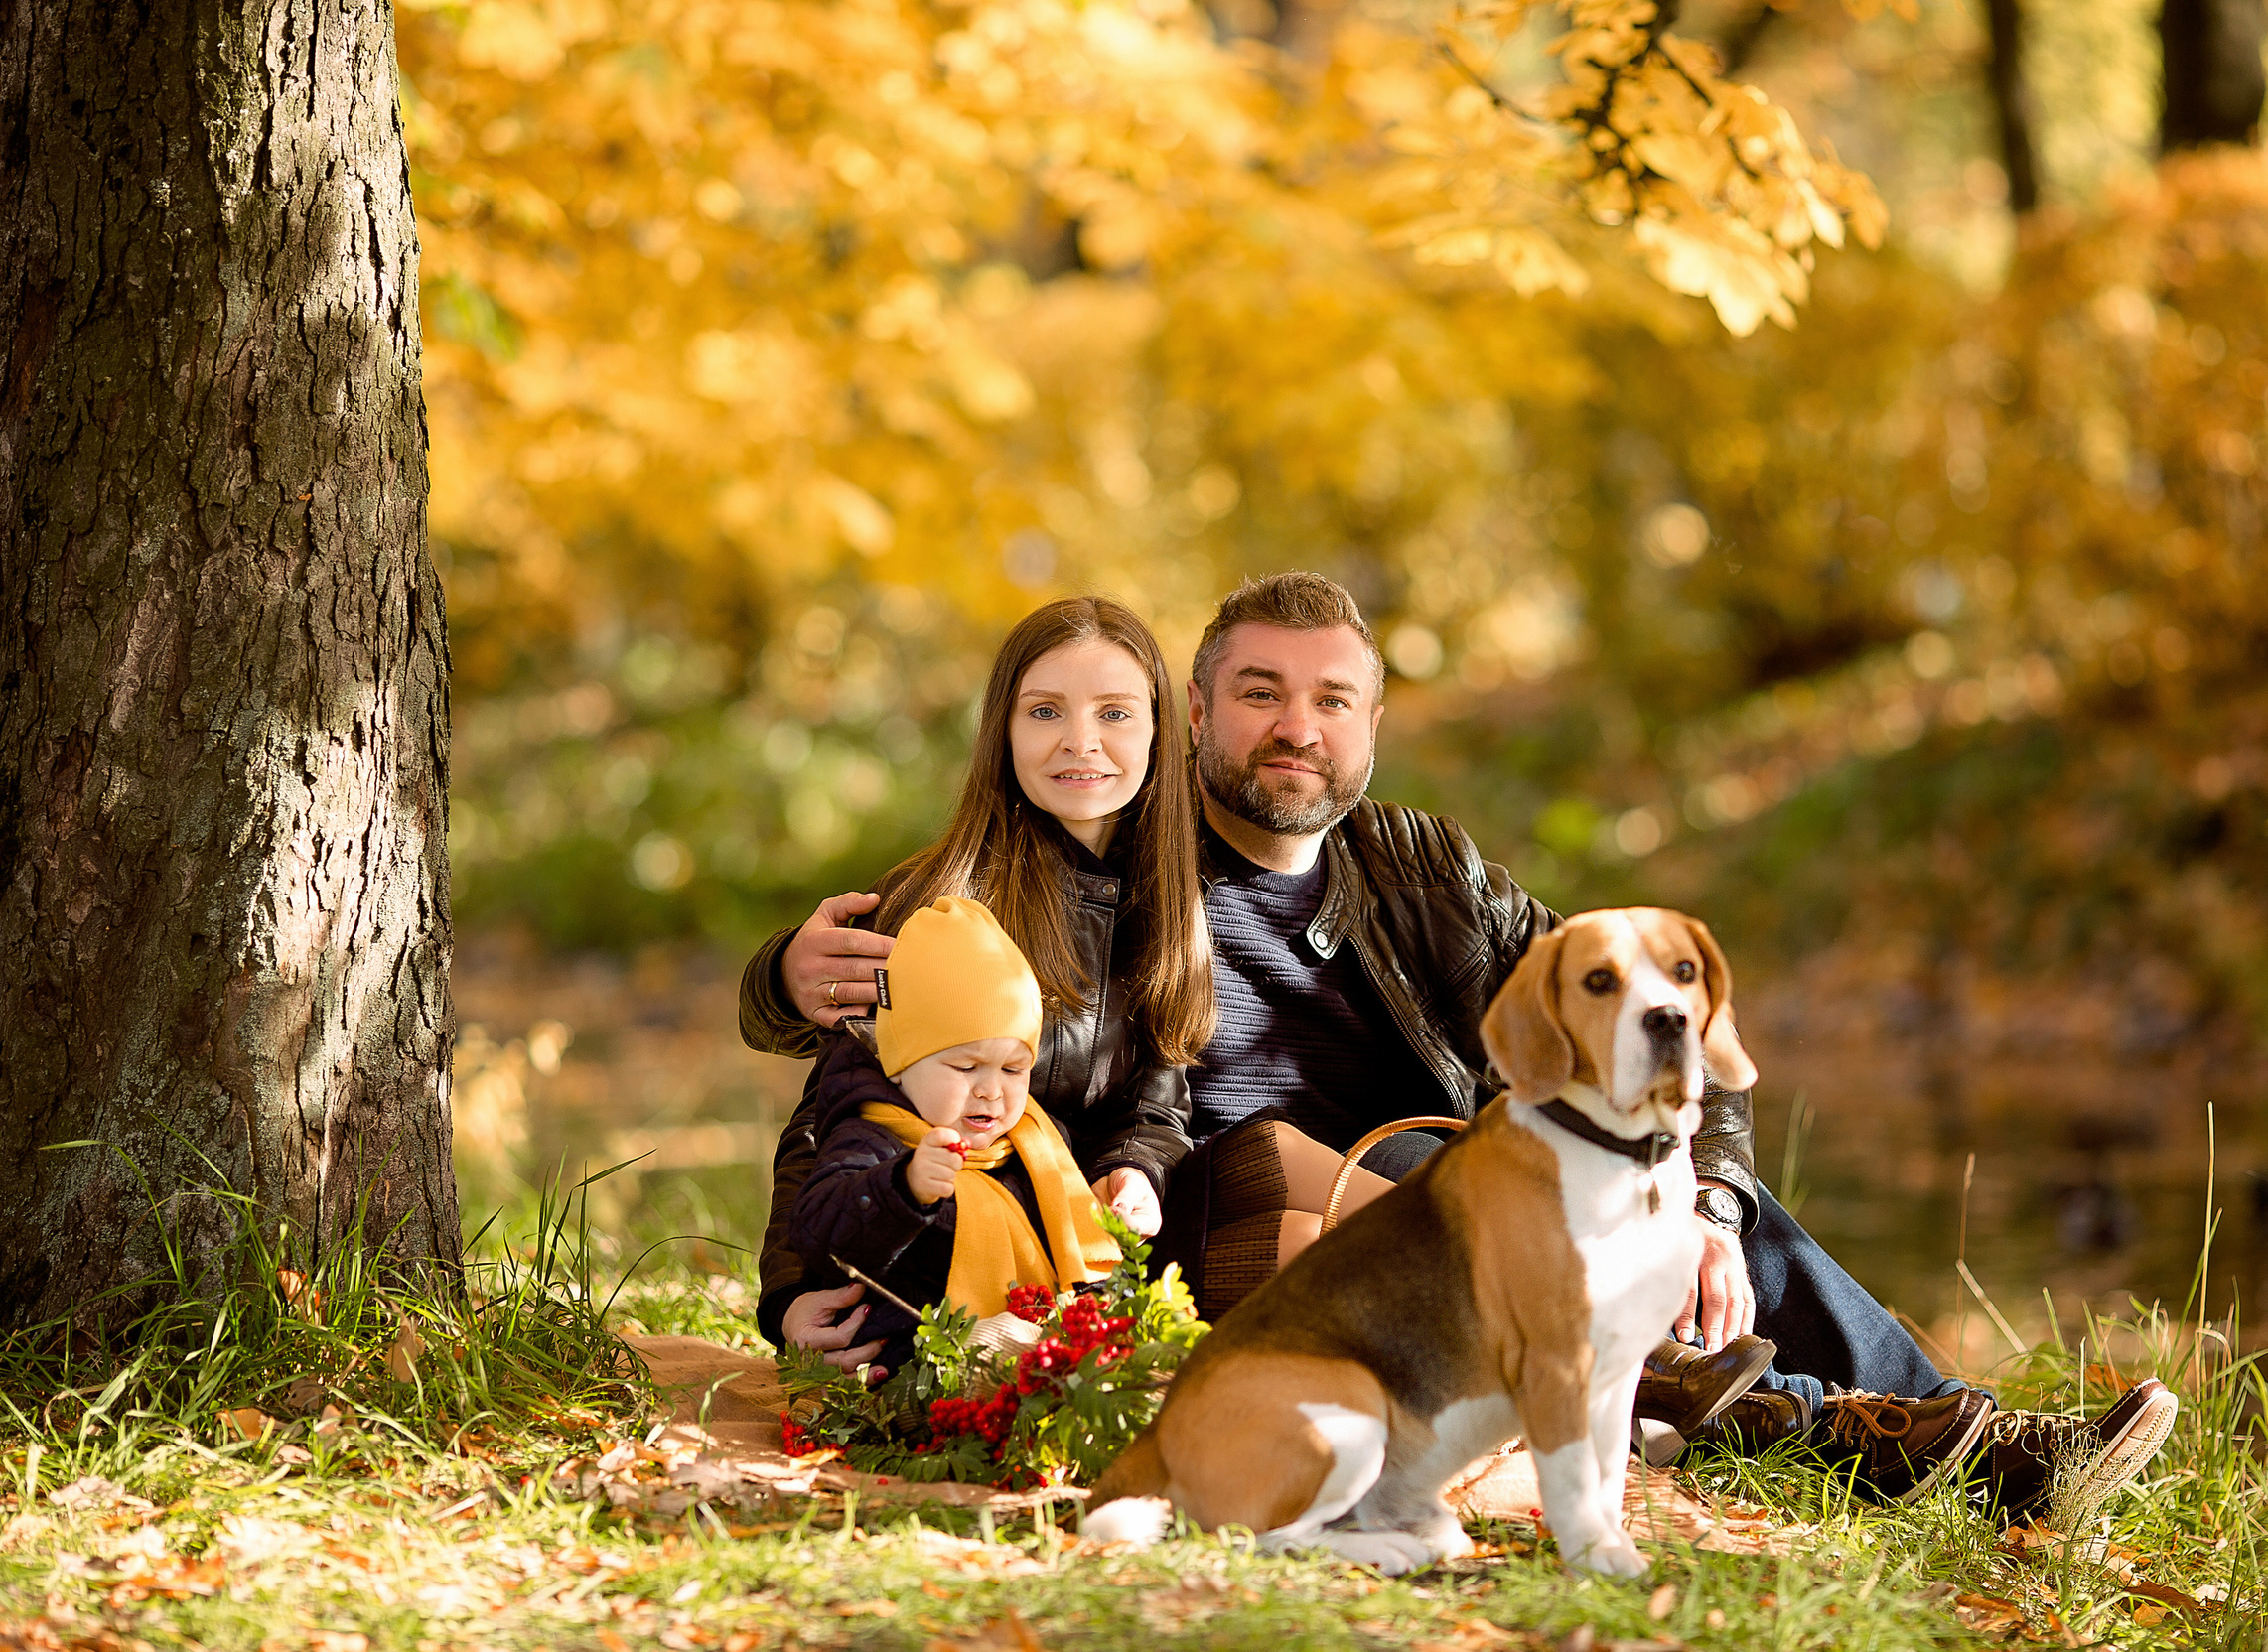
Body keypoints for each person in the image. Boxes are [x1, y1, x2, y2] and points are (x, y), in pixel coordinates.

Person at [751, 573, 2173, 1520]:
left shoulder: (1424, 864)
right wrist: (784, 984)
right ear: (1196, 714)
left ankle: (1991, 1444)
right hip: (1252, 1236)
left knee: (1668, 1190)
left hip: (1438, 1200)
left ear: (1374, 721)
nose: (1293, 728)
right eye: (1256, 692)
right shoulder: (1107, 843)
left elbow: (1635, 1023)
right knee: (1387, 1172)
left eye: (1331, 699)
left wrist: (1716, 1197)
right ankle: (1827, 1425)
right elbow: (897, 1018)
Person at [740, 597, 1212, 1377]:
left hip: (1073, 1257)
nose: (1081, 741)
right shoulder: (940, 904)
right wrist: (789, 1294)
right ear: (1004, 730)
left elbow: (1157, 1103)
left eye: (1117, 713)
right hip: (928, 1260)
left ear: (1162, 731)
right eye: (1045, 710)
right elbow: (833, 1113)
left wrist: (1137, 1165)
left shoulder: (1170, 904)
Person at [788, 896, 1125, 1368]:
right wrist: (901, 1187)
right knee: (1008, 1348)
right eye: (966, 1067)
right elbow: (816, 1233)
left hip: (1023, 1326)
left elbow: (1072, 1239)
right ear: (901, 1064)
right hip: (910, 1353)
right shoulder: (875, 1135)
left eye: (1013, 1069)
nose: (991, 1090)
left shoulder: (1036, 1144)